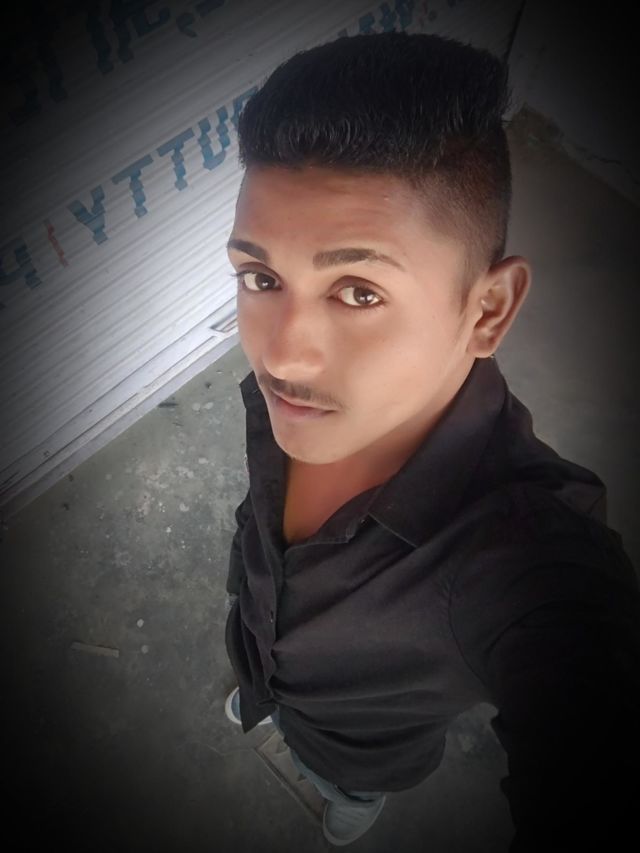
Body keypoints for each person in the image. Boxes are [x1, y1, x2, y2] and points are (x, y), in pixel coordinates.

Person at [222, 29, 640, 850]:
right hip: (253, 641)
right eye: (261, 278)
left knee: (345, 786)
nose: (281, 354)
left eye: (357, 291)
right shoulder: (296, 396)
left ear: (488, 310)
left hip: (355, 751)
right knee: (258, 684)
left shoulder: (524, 557)